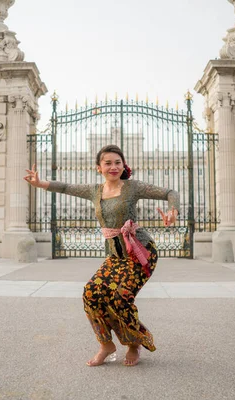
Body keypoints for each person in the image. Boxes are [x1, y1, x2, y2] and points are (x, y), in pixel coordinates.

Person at [24, 144, 178, 367]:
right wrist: (40, 184)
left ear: (123, 166)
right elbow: (66, 187)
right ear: (99, 168)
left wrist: (173, 211)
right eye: (108, 163)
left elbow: (170, 193)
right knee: (91, 293)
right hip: (115, 255)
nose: (113, 167)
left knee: (120, 297)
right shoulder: (94, 191)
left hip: (140, 252)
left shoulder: (133, 187)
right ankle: (106, 344)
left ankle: (133, 343)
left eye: (118, 162)